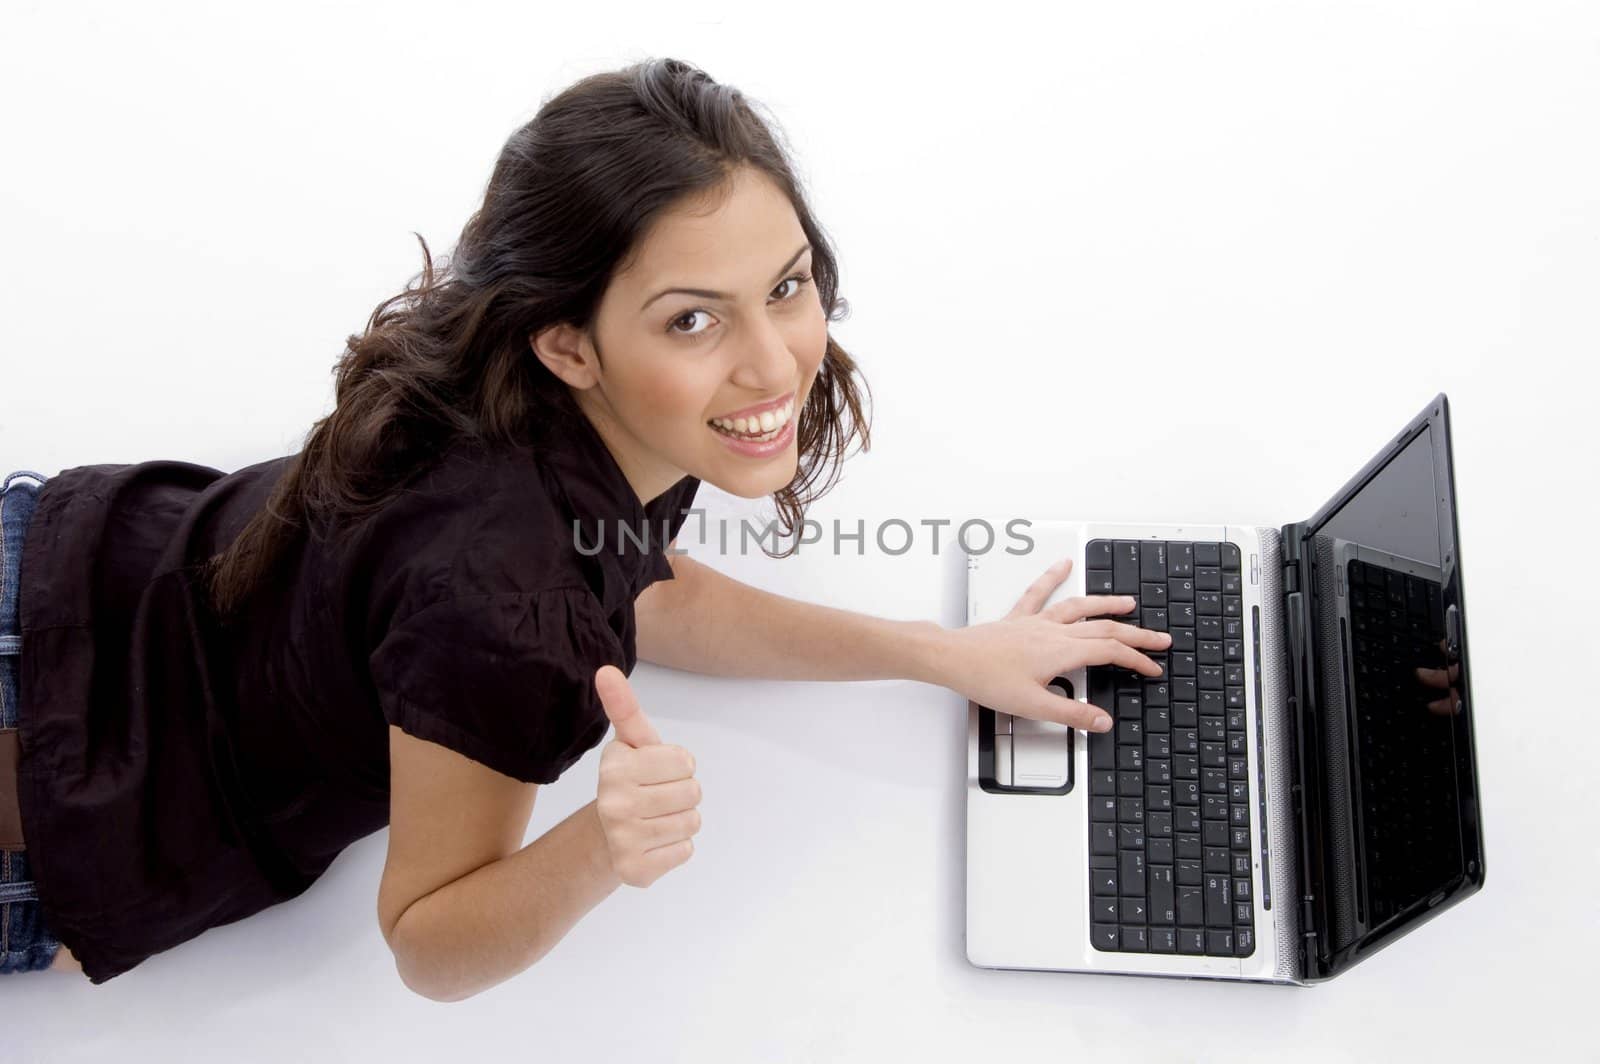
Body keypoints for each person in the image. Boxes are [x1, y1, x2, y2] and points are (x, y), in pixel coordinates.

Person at [0, 57, 1167, 995]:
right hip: (64, 804)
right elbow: (425, 936)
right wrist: (599, 847)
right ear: (566, 339)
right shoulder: (505, 615)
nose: (775, 363)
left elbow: (638, 584)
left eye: (786, 285)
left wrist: (936, 651)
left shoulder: (536, 391)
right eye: (693, 319)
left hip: (67, 563)